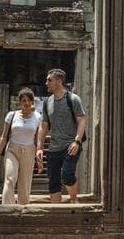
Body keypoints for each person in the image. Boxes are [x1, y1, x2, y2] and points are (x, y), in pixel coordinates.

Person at [36, 68, 87, 204]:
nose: (46, 83)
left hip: (71, 144)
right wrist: (39, 148)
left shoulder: (73, 99)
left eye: (49, 80)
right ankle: (55, 211)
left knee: (67, 175)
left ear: (59, 81)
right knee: (53, 181)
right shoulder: (47, 102)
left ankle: (73, 199)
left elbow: (82, 120)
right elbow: (43, 125)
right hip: (54, 148)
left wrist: (77, 141)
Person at [0, 87, 42, 205]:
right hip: (12, 150)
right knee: (10, 178)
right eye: (23, 100)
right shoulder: (11, 115)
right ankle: (7, 210)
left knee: (25, 183)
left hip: (29, 150)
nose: (26, 103)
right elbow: (4, 136)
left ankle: (23, 209)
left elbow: (39, 138)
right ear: (20, 102)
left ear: (32, 102)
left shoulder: (38, 117)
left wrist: (39, 153)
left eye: (28, 100)